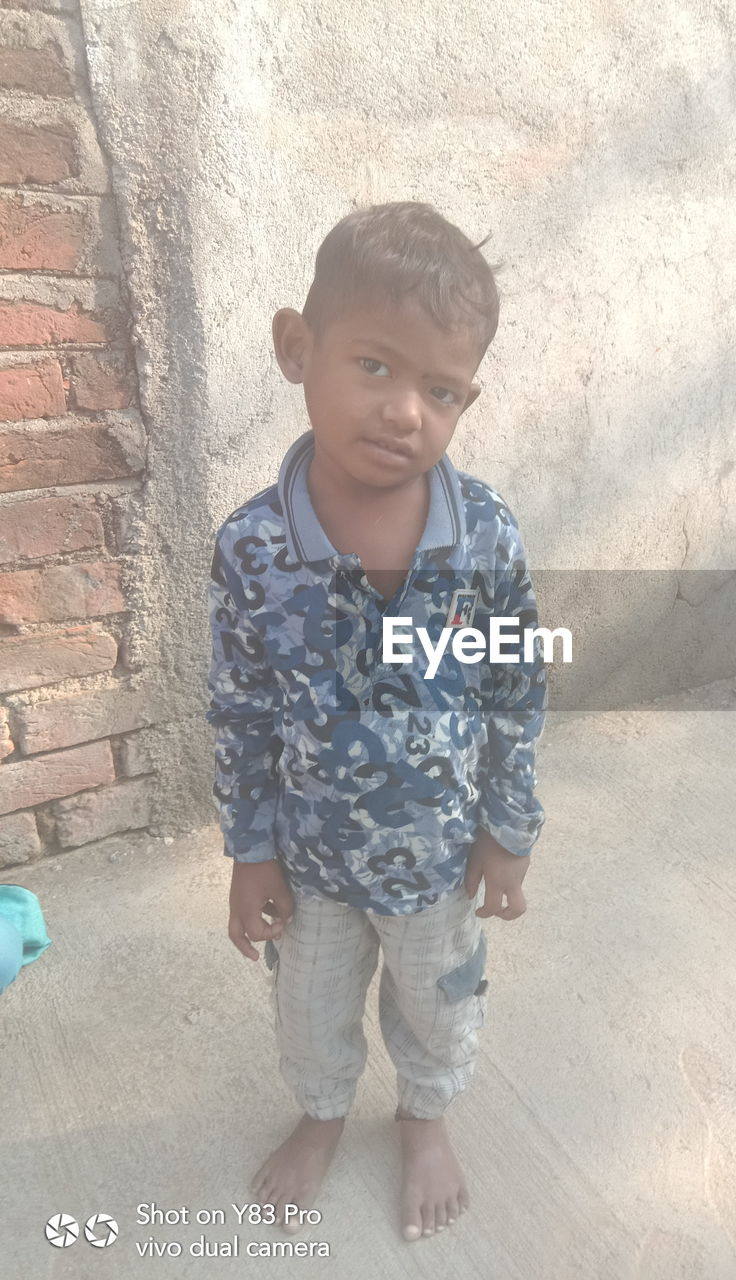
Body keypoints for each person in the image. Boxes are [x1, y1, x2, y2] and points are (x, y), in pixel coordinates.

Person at [206, 201, 547, 1244]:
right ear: (296, 347)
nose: (406, 410)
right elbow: (240, 706)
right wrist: (250, 853)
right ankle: (320, 1114)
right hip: (310, 868)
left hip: (439, 864)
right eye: (374, 367)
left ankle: (423, 1117)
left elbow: (515, 690)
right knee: (308, 1011)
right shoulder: (256, 547)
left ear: (467, 399)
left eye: (439, 390)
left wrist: (509, 828)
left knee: (440, 1002)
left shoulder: (483, 532)